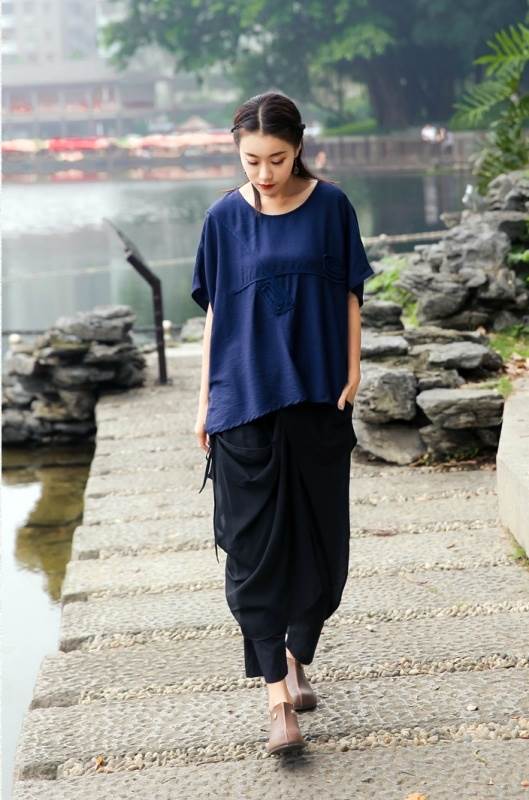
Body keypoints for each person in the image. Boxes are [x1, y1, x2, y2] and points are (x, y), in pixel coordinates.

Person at [190, 91, 374, 755]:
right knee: (253, 556)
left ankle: (298, 654)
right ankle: (276, 698)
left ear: (298, 149)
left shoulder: (331, 207)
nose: (264, 173)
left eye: (276, 158)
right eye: (251, 160)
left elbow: (350, 293)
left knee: (322, 554)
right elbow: (216, 314)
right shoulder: (222, 219)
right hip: (243, 402)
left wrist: (352, 369)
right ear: (237, 153)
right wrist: (203, 401)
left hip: (318, 399)